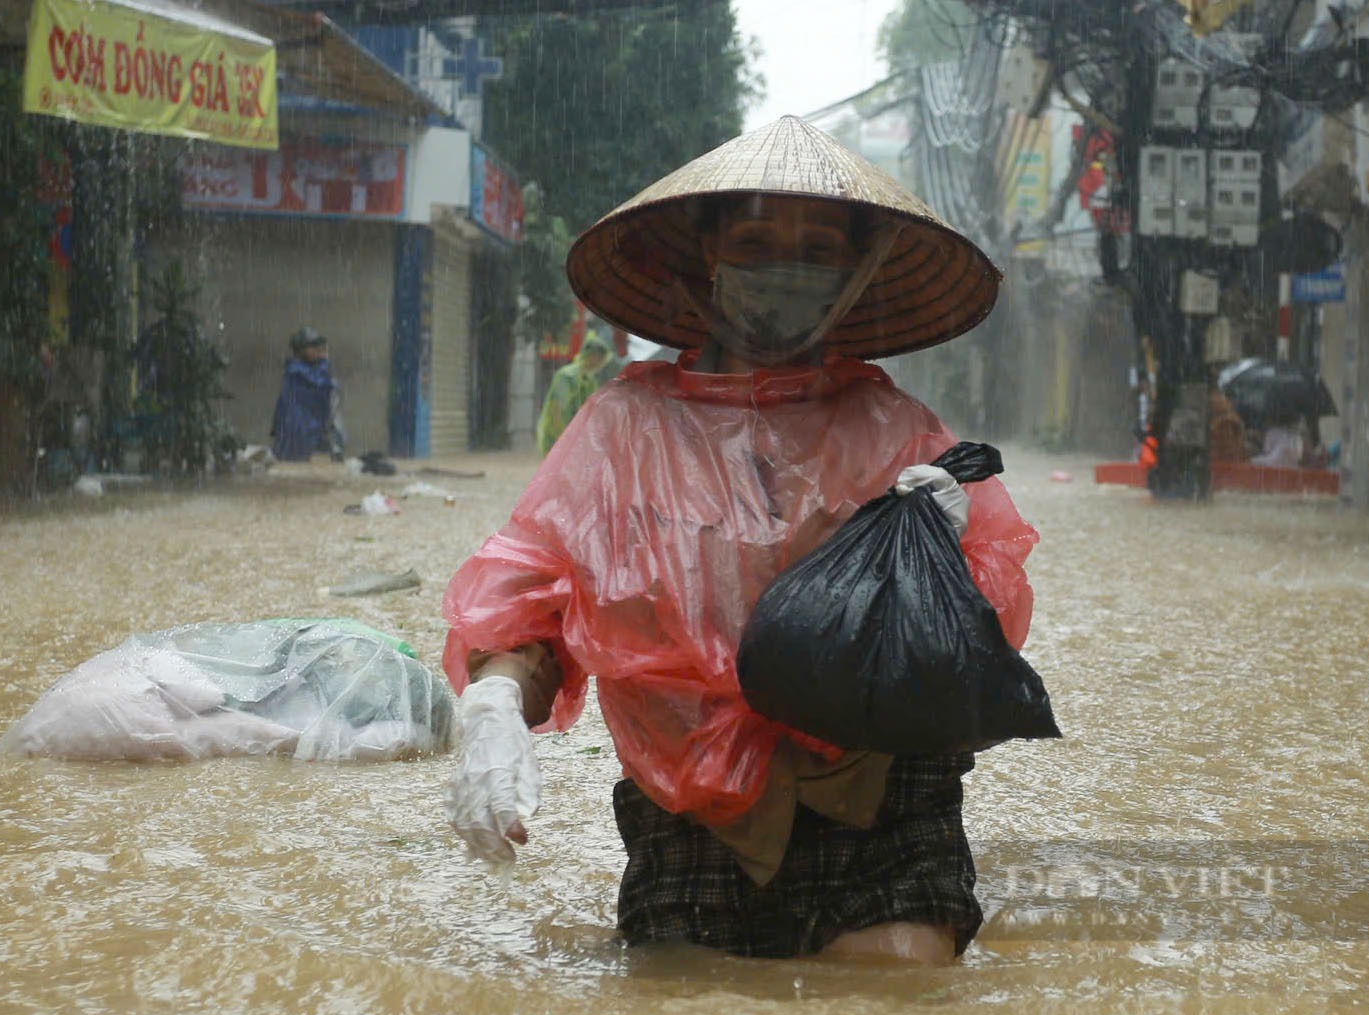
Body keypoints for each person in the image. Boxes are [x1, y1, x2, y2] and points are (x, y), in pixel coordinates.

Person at [439, 117, 1036, 963]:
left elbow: (990, 633)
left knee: (898, 987)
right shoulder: (623, 431)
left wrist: (946, 564)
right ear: (708, 256)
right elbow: (532, 604)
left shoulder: (897, 432)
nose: (784, 270)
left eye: (817, 248)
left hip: (882, 806)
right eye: (756, 241)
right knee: (683, 996)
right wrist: (495, 706)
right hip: (689, 821)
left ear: (853, 273)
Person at [271, 326, 344, 462]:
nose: (318, 349)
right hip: (294, 433)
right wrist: (325, 361)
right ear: (301, 350)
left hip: (311, 432)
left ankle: (336, 448)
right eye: (313, 346)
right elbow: (320, 382)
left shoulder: (314, 369)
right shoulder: (294, 370)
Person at [534, 331, 614, 456]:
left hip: (574, 443)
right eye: (601, 359)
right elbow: (556, 411)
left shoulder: (589, 380)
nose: (602, 364)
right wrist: (564, 441)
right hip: (557, 439)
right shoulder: (567, 377)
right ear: (593, 356)